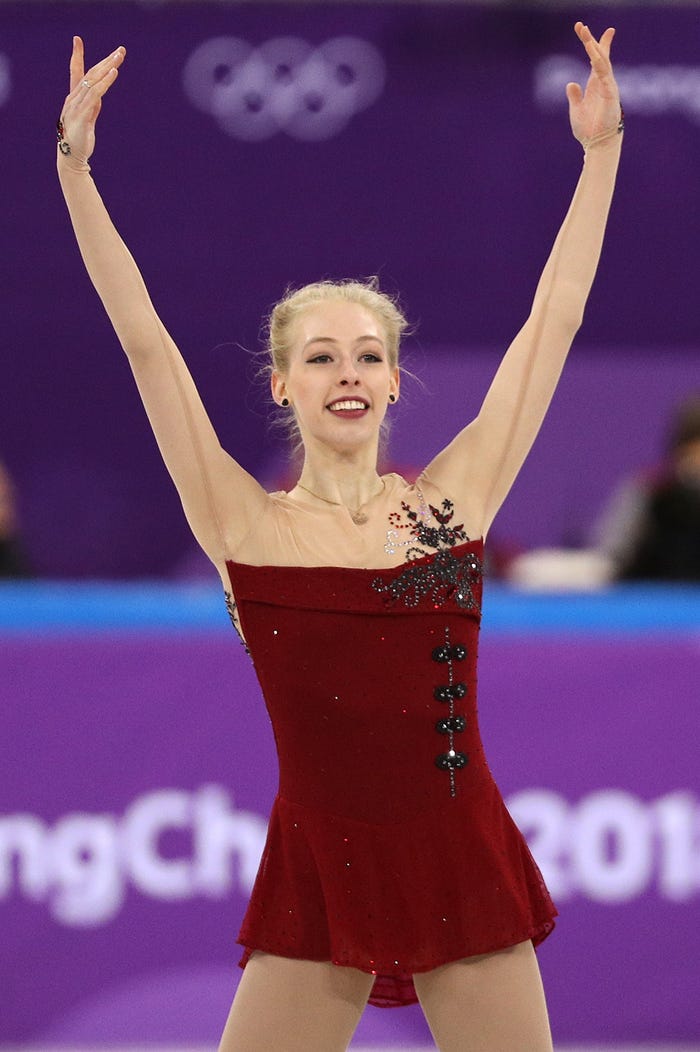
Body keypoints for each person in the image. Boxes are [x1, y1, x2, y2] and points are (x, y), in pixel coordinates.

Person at [56, 22, 623, 1052]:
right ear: (282, 384)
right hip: (321, 862)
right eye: (320, 357)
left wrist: (601, 156)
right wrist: (75, 172)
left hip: (458, 852)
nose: (347, 373)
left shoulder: (452, 508)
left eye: (367, 355)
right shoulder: (244, 525)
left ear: (396, 381)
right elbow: (145, 345)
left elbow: (556, 318)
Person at [592, 394, 700, 581]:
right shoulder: (649, 490)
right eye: (695, 452)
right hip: (650, 591)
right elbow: (611, 550)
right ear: (681, 449)